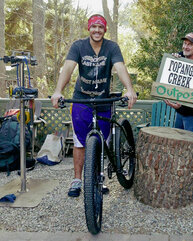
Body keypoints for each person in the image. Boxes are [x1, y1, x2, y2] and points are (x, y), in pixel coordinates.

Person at [51, 14, 137, 197]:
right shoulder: (78, 46)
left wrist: (130, 89)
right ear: (88, 29)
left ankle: (98, 177)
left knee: (102, 141)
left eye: (100, 27)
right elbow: (68, 68)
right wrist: (58, 90)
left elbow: (120, 67)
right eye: (93, 27)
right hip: (82, 99)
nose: (97, 30)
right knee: (79, 142)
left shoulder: (112, 47)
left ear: (105, 30)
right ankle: (77, 179)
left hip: (103, 100)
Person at [164, 32, 193, 134]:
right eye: (184, 43)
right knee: (178, 142)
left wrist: (179, 107)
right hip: (181, 111)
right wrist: (172, 58)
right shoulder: (180, 57)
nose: (185, 47)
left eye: (190, 44)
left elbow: (192, 95)